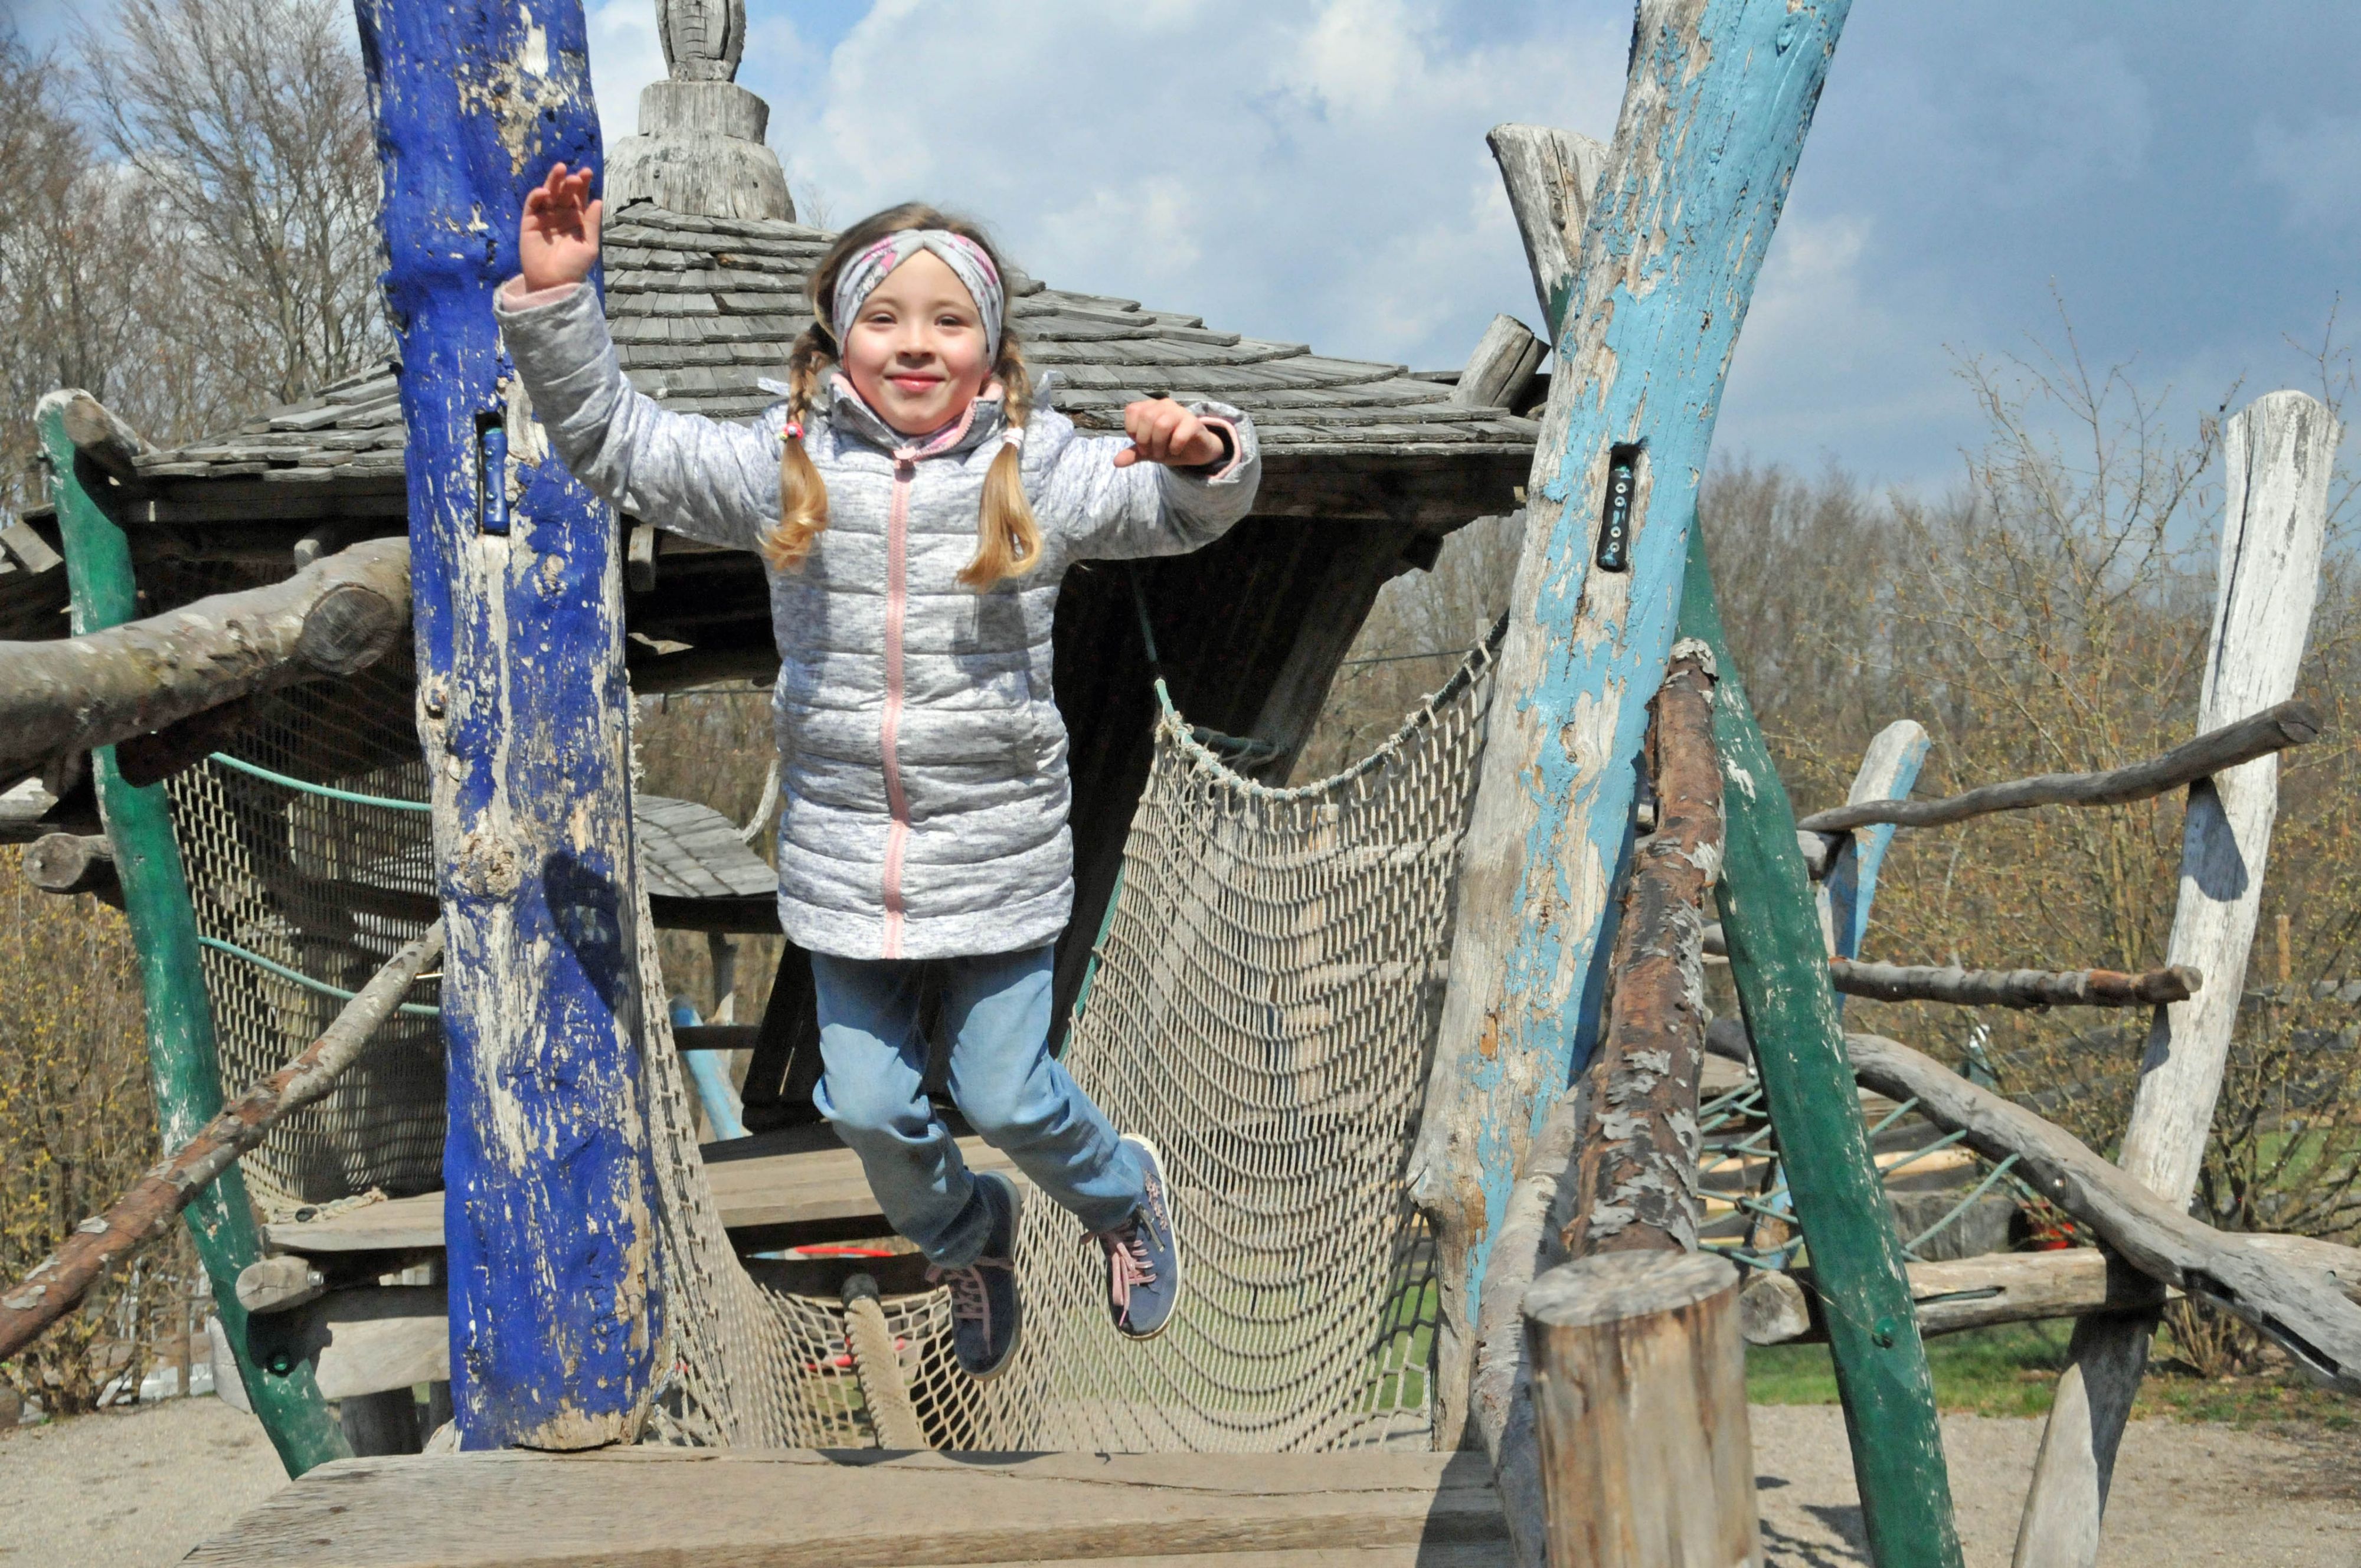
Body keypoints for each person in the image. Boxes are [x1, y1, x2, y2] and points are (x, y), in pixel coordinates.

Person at [495, 164, 1261, 1380]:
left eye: (949, 320)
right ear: (836, 339)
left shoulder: (1042, 466)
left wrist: (1201, 446)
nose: (916, 344)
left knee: (1003, 1094)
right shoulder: (783, 464)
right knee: (866, 1108)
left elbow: (1184, 510)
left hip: (996, 852)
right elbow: (619, 447)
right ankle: (967, 1234)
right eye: (885, 318)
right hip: (851, 862)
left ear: (992, 343)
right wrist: (558, 304)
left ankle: (1121, 1198)